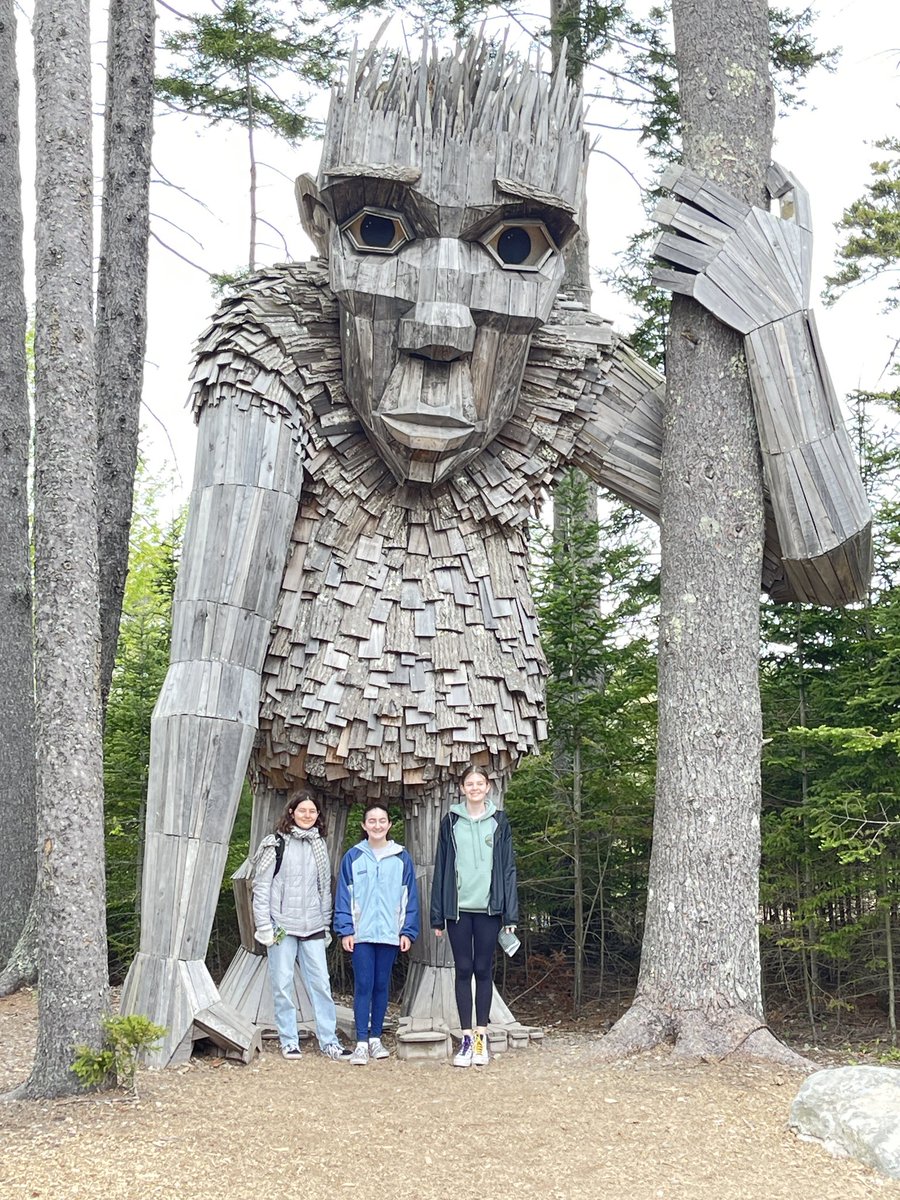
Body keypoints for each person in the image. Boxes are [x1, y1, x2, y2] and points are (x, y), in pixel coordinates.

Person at [431, 765, 519, 1067]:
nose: (475, 788)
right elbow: (441, 867)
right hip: (457, 910)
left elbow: (508, 868)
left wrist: (511, 913)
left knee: (483, 969)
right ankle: (465, 1038)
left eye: (480, 783)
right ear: (462, 787)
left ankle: (482, 1036)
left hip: (489, 909)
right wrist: (437, 916)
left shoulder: (499, 821)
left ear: (488, 788)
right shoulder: (451, 821)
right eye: (470, 783)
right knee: (463, 969)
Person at [253, 790, 349, 1061]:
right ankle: (289, 1039)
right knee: (282, 984)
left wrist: (326, 923)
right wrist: (264, 926)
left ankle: (329, 1041)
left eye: (312, 811)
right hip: (282, 925)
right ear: (291, 812)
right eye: (302, 810)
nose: (307, 815)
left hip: (314, 925)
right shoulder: (275, 843)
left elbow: (324, 889)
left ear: (318, 816)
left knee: (321, 984)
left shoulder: (320, 845)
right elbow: (262, 887)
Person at [334, 804, 419, 1065]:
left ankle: (375, 1038)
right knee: (363, 985)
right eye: (372, 821)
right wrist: (345, 929)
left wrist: (408, 931)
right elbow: (343, 896)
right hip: (362, 934)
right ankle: (360, 1042)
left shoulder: (401, 857)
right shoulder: (353, 856)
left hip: (390, 934)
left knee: (382, 985)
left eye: (382, 820)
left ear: (389, 825)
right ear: (364, 825)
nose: (377, 825)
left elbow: (409, 897)